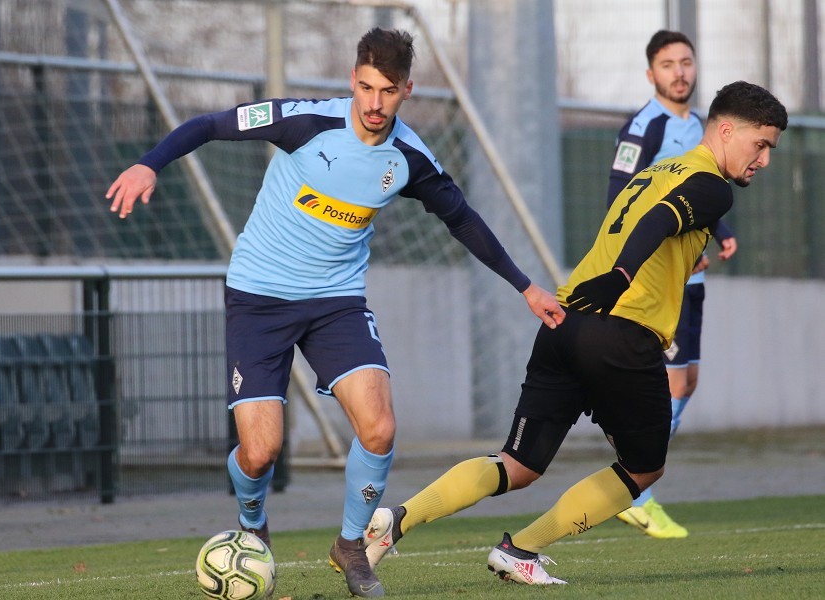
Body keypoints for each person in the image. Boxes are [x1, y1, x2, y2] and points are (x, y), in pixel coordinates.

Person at [106, 27, 564, 598]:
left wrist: (525, 288)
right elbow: (210, 124)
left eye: (388, 91)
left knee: (380, 427)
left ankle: (351, 547)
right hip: (259, 298)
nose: (374, 103)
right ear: (353, 81)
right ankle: (252, 531)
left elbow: (463, 219)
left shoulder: (411, 158)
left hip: (335, 302)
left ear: (406, 91)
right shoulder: (305, 122)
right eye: (366, 88)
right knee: (260, 450)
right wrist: (150, 164)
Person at [363, 81, 787, 586]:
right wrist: (625, 275)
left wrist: (663, 261)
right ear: (725, 130)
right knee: (644, 469)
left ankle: (397, 519)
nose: (764, 159)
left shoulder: (654, 171)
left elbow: (652, 222)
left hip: (566, 321)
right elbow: (659, 220)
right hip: (621, 333)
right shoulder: (712, 185)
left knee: (517, 464)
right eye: (760, 144)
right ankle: (521, 549)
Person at [608, 30, 738, 539]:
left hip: (694, 269)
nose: (679, 72)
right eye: (668, 64)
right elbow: (623, 201)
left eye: (686, 62)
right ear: (651, 75)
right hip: (667, 273)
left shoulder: (704, 126)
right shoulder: (644, 128)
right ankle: (633, 487)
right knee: (671, 382)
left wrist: (721, 233)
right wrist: (674, 254)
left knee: (688, 381)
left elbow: (705, 189)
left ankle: (634, 482)